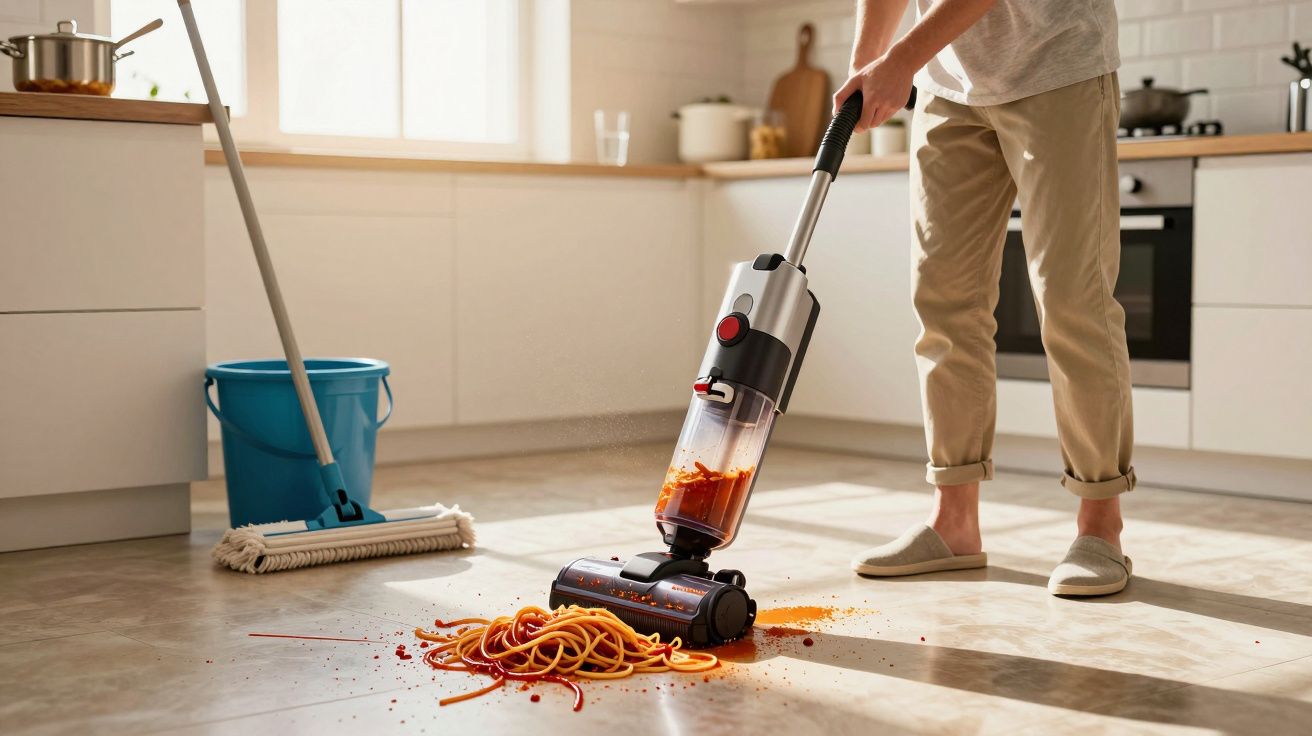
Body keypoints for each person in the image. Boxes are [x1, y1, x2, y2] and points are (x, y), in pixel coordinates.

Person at [835, 0, 1134, 596]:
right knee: (944, 301)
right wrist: (867, 63)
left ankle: (1101, 526)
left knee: (1072, 299)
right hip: (948, 88)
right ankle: (954, 524)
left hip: (1059, 69)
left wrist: (900, 59)